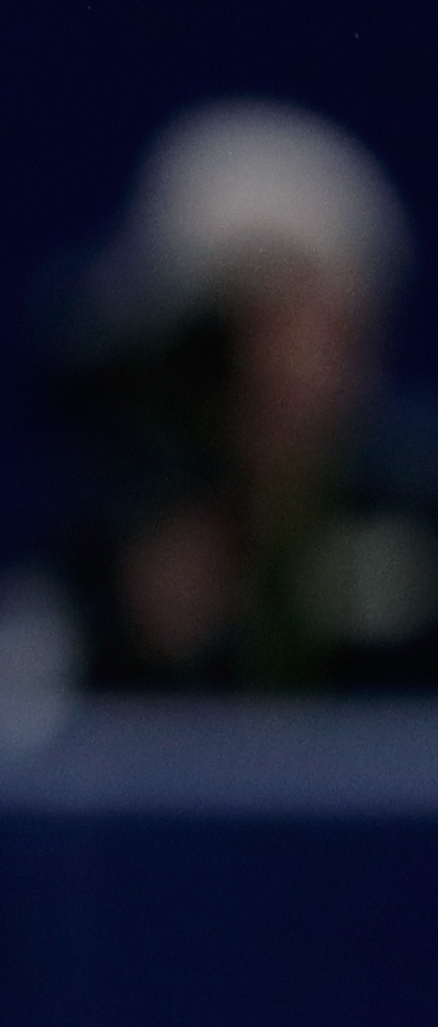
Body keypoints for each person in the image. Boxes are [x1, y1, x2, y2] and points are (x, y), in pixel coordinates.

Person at [42, 98, 438, 692]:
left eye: (327, 323)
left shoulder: (416, 510)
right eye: (257, 322)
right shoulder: (107, 543)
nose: (293, 361)